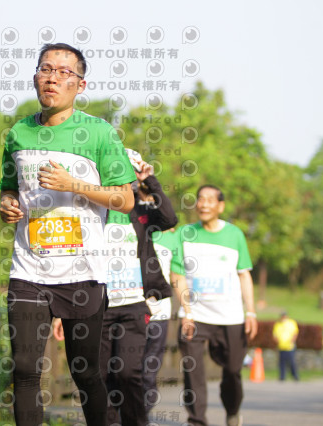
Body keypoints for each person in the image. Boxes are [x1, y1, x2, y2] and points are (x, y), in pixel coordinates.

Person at [0, 42, 136, 426]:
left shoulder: (100, 133)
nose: (52, 78)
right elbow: (8, 189)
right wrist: (7, 205)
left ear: (80, 84)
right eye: (46, 69)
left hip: (82, 271)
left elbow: (125, 199)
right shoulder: (18, 133)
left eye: (63, 72)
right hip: (28, 268)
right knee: (24, 368)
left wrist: (73, 185)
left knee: (84, 371)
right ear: (35, 77)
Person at [98, 150, 177, 425]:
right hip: (99, 305)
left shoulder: (141, 211)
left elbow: (169, 219)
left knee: (128, 373)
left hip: (133, 304)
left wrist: (149, 181)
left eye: (129, 172)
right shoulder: (94, 209)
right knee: (101, 375)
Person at [170, 185, 258, 426]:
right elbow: (177, 275)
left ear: (221, 206)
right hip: (194, 316)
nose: (204, 204)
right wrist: (186, 312)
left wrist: (250, 312)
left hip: (230, 317)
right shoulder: (185, 233)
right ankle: (197, 420)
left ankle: (232, 410)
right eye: (200, 199)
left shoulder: (235, 235)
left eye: (210, 200)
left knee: (233, 370)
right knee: (193, 372)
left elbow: (244, 275)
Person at [143, 227, 178, 415]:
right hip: (129, 311)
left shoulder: (172, 238)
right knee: (125, 368)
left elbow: (178, 275)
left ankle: (142, 413)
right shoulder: (132, 230)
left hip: (159, 314)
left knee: (149, 370)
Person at [272, 311, 300, 381]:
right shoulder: (278, 324)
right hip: (281, 346)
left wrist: (292, 340)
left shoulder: (291, 323)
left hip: (290, 346)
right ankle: (282, 376)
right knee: (282, 363)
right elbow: (275, 334)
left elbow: (295, 333)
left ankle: (295, 375)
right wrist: (277, 341)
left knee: (292, 362)